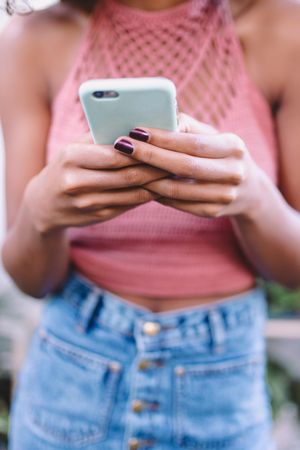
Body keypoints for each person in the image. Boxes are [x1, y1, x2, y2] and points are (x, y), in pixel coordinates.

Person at [1, 0, 300, 448]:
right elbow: (32, 280)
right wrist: (41, 216)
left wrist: (254, 197)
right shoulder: (33, 38)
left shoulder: (284, 28)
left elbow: (294, 270)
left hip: (220, 387)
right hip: (71, 377)